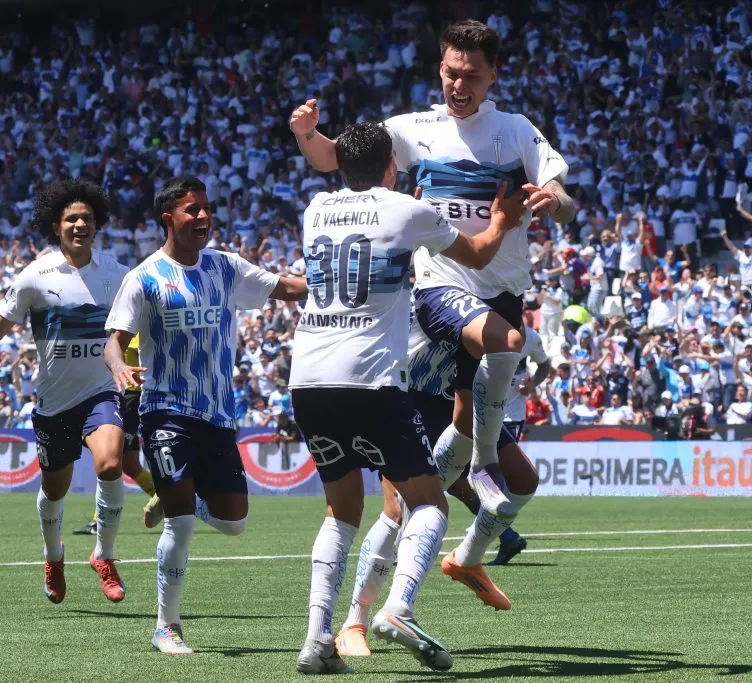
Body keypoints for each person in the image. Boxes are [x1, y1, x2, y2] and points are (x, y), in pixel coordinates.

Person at [291, 20, 572, 522]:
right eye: (451, 73)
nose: (459, 85)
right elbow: (334, 157)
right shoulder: (412, 128)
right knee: (495, 352)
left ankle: (432, 524)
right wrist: (306, 132)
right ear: (440, 67)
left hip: (501, 288)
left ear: (493, 76)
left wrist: (553, 200)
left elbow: (563, 197)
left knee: (465, 417)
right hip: (439, 286)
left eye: (472, 76)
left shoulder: (515, 130)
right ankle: (478, 468)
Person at [287, 122, 525, 674]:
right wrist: (501, 220)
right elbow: (479, 256)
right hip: (369, 378)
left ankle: (317, 640)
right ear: (392, 164)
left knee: (341, 511)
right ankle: (397, 610)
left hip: (308, 379)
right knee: (428, 503)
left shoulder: (315, 209)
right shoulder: (407, 210)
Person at [104, 176, 308, 655]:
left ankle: (182, 497)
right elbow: (114, 341)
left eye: (205, 208)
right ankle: (167, 626)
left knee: (234, 522)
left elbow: (286, 287)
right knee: (182, 526)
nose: (202, 216)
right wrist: (119, 367)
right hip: (165, 411)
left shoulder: (225, 266)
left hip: (218, 414)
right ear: (167, 219)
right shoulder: (145, 277)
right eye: (191, 209)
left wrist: (335, 280)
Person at [0, 179, 130, 605]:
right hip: (54, 402)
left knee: (110, 463)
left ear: (96, 224)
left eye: (86, 218)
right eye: (71, 218)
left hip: (101, 393)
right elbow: (3, 322)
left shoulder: (117, 274)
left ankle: (103, 556)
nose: (79, 224)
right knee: (54, 490)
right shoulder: (34, 277)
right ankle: (53, 555)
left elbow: (137, 326)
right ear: (56, 226)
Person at [73, 332, 164, 536]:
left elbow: (145, 354)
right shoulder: (117, 327)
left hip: (131, 397)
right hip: (123, 395)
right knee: (130, 465)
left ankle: (100, 520)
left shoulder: (134, 328)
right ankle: (165, 497)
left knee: (110, 457)